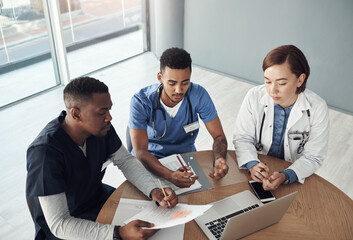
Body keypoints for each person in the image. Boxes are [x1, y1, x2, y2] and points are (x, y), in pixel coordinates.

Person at [26, 77, 178, 240]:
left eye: (109, 110)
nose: (109, 118)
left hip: (98, 200)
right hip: (67, 227)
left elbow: (125, 160)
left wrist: (153, 189)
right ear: (76, 114)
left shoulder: (100, 128)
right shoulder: (44, 152)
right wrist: (117, 233)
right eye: (102, 112)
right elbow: (59, 224)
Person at [128, 47, 229, 188]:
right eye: (172, 83)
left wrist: (219, 159)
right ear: (160, 78)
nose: (179, 90)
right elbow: (140, 151)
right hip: (150, 161)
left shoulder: (198, 95)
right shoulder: (141, 101)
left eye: (185, 83)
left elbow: (219, 136)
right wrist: (169, 175)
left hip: (185, 159)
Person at [233, 45, 329, 191]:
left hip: (294, 174)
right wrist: (252, 164)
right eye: (267, 81)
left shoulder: (317, 107)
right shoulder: (254, 96)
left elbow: (314, 157)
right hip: (257, 169)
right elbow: (242, 137)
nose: (272, 90)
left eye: (282, 83)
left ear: (300, 80)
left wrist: (287, 175)